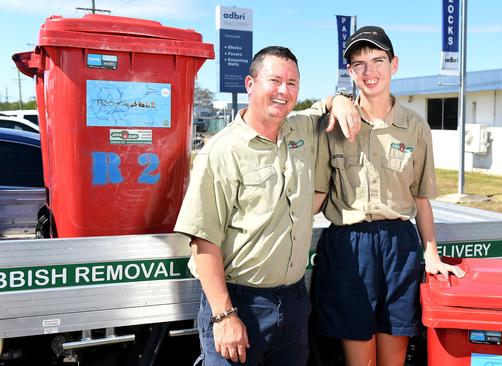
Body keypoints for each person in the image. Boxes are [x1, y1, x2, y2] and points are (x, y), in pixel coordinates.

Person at [174, 46, 360, 366]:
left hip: (293, 302)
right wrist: (224, 316)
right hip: (240, 303)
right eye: (274, 80)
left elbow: (325, 106)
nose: (283, 91)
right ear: (250, 84)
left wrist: (341, 98)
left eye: (292, 83)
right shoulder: (221, 151)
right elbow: (203, 242)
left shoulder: (300, 128)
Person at [313, 26, 466, 365]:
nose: (370, 72)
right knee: (360, 359)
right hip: (349, 248)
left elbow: (422, 198)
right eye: (359, 64)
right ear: (350, 72)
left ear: (394, 64)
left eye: (378, 60)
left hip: (398, 245)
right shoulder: (332, 124)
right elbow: (319, 195)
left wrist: (432, 255)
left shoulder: (415, 127)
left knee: (393, 357)